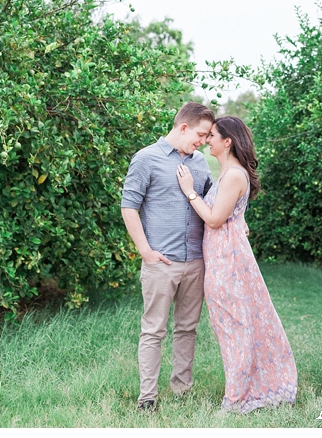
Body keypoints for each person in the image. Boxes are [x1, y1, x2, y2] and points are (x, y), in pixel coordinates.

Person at [177, 115, 297, 413]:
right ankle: (245, 387)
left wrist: (190, 190)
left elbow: (216, 219)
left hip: (227, 262)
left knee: (234, 328)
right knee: (233, 326)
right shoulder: (229, 173)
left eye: (212, 136)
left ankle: (237, 398)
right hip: (223, 258)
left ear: (227, 141)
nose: (207, 140)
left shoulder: (233, 175)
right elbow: (232, 215)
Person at [121, 102, 215, 411]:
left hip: (196, 261)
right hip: (162, 263)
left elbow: (213, 202)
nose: (202, 141)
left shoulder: (201, 163)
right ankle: (147, 397)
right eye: (201, 134)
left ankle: (182, 389)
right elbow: (129, 206)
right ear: (184, 127)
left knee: (188, 328)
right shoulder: (146, 159)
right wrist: (145, 252)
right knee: (154, 329)